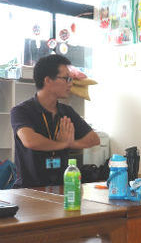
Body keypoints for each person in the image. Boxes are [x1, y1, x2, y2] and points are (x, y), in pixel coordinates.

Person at [10, 54, 99, 188]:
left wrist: (71, 143)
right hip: (29, 189)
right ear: (48, 80)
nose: (71, 83)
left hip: (61, 187)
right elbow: (30, 141)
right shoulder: (21, 111)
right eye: (66, 79)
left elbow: (94, 139)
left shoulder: (67, 111)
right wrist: (63, 144)